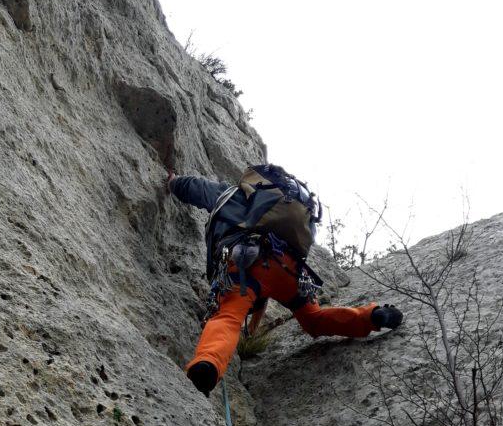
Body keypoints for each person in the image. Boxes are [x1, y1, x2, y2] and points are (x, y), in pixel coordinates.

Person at [167, 164, 403, 396]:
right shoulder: (285, 213)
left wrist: (173, 181)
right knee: (314, 319)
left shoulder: (232, 194)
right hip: (288, 269)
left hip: (247, 263)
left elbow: (195, 188)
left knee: (228, 316)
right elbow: (263, 296)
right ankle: (372, 316)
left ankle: (208, 365)